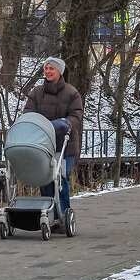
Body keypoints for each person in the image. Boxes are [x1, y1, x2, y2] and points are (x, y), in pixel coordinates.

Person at [23, 56, 84, 222]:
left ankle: (63, 214)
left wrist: (65, 124)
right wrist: (36, 123)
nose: (48, 71)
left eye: (52, 68)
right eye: (46, 68)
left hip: (65, 144)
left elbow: (76, 115)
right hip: (42, 143)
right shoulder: (36, 93)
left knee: (61, 178)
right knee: (45, 177)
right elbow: (28, 111)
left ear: (60, 71)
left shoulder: (72, 93)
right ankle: (48, 214)